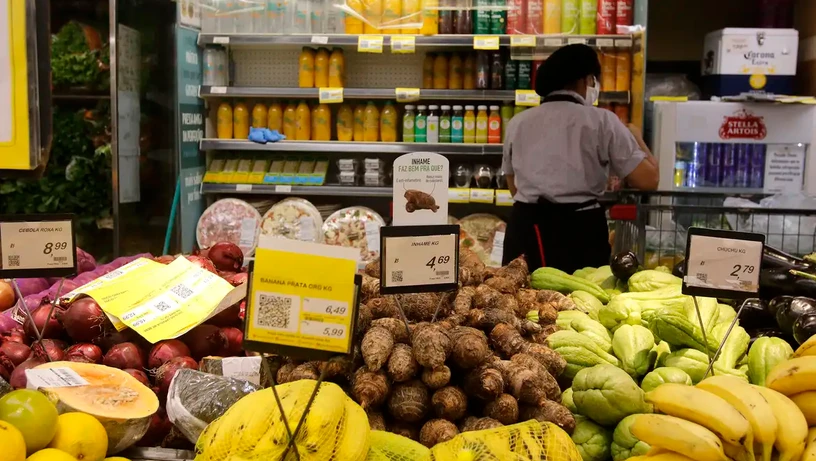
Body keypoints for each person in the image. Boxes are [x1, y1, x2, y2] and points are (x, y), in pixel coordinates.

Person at [501, 44, 658, 273]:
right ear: (586, 80)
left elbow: (512, 183)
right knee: (582, 301)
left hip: (526, 227)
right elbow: (648, 180)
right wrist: (637, 137)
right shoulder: (602, 121)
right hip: (581, 229)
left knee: (520, 300)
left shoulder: (518, 122)